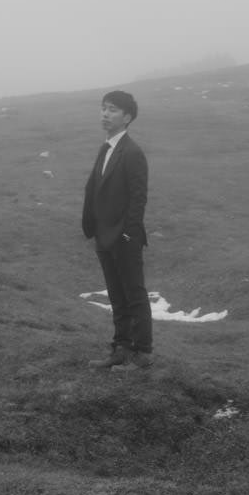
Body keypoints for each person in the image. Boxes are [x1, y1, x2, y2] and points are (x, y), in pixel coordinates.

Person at [82, 90, 152, 370]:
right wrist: (94, 228)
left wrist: (127, 234)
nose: (105, 114)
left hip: (124, 237)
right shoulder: (106, 148)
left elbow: (138, 199)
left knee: (134, 295)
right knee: (116, 295)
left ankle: (142, 353)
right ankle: (120, 348)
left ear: (127, 117)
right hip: (104, 235)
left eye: (112, 109)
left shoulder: (132, 152)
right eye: (103, 108)